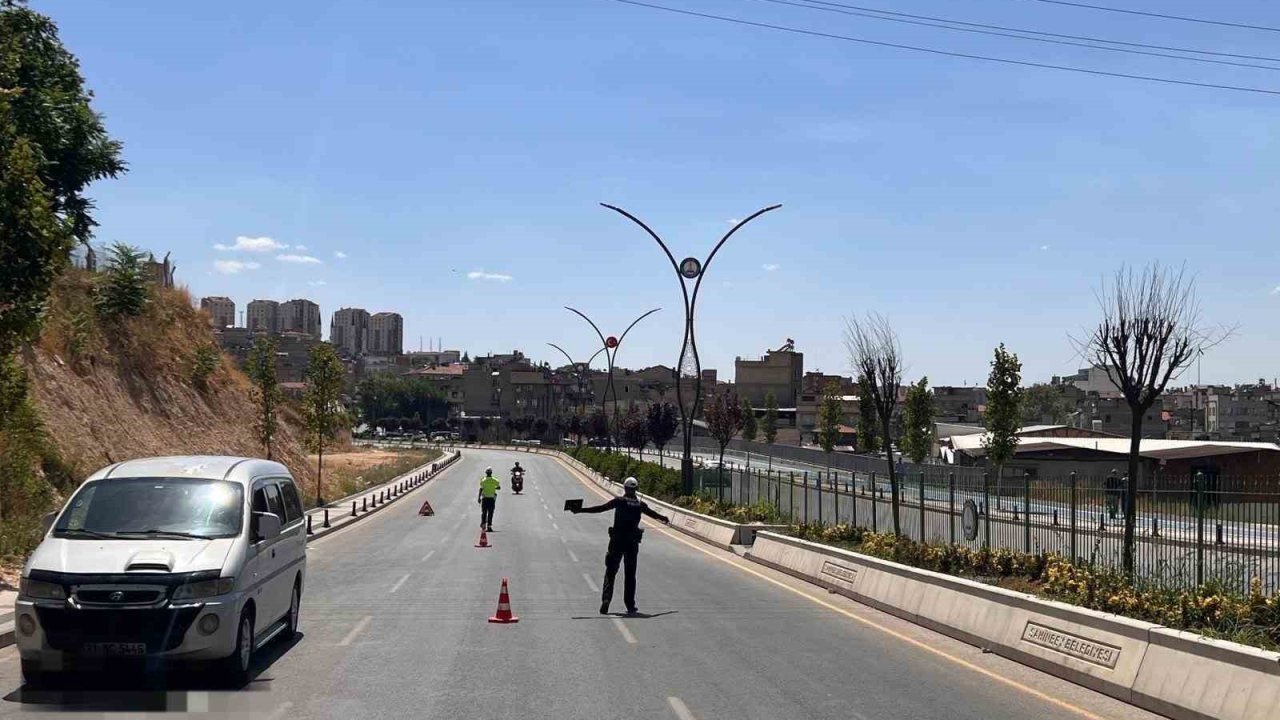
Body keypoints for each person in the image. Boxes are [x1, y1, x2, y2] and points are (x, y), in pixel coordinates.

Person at [570, 476, 670, 615]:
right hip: (632, 544)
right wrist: (664, 518)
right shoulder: (640, 504)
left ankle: (606, 600)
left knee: (610, 572)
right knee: (630, 575)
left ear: (625, 488)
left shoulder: (619, 501)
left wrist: (581, 510)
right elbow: (654, 514)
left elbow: (601, 508)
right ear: (636, 489)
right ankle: (630, 605)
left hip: (617, 541)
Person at [477, 467, 500, 531]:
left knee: (484, 512)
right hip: (492, 499)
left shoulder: (483, 480)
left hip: (484, 498)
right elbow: (499, 487)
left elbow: (481, 489)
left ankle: (483, 525)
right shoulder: (495, 480)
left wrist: (479, 498)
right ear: (491, 473)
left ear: (486, 473)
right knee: (490, 512)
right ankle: (489, 526)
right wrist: (493, 488)